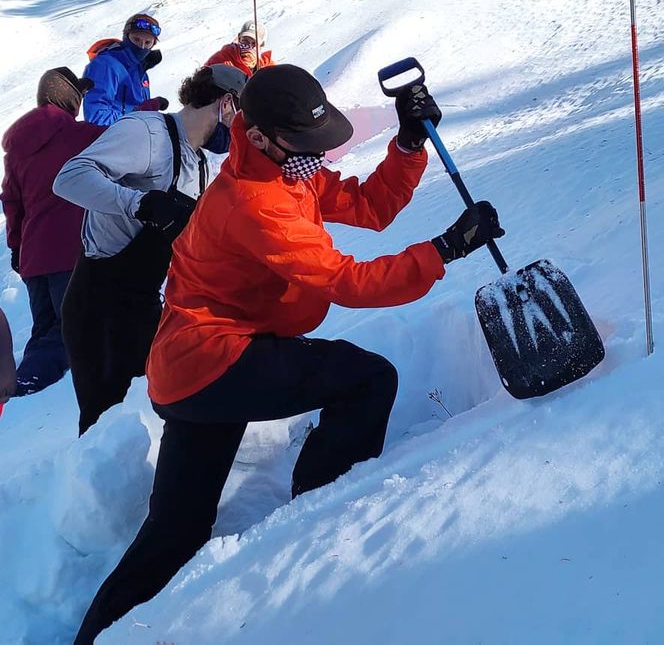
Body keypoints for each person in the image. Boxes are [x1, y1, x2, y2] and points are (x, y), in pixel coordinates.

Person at [73, 64, 504, 644]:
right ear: (259, 136)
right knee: (365, 379)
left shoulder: (287, 173)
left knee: (177, 531)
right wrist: (446, 249)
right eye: (304, 146)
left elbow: (370, 207)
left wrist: (406, 145)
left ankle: (93, 636)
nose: (315, 157)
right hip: (212, 361)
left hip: (195, 369)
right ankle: (318, 523)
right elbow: (348, 282)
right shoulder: (254, 204)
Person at [54, 64, 248, 435]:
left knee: (161, 407)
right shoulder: (146, 132)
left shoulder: (202, 165)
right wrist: (138, 203)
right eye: (239, 115)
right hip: (98, 307)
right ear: (225, 103)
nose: (237, 129)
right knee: (105, 427)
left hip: (143, 306)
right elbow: (69, 178)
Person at [1, 68, 103, 396]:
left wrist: (17, 248)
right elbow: (121, 136)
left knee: (46, 331)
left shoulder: (17, 146)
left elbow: (12, 203)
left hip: (33, 257)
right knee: (71, 332)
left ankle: (14, 387)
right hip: (67, 252)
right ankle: (18, 389)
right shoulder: (76, 135)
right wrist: (148, 112)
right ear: (68, 97)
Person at [82, 13, 169, 126]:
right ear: (126, 37)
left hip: (132, 137)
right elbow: (96, 116)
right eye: (136, 39)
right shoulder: (106, 65)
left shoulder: (140, 70)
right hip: (112, 140)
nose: (141, 47)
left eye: (147, 42)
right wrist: (139, 116)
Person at [204, 20, 274, 78]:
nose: (248, 47)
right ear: (239, 39)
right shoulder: (220, 60)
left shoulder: (268, 67)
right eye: (245, 41)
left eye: (254, 43)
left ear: (261, 45)